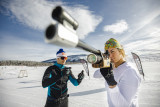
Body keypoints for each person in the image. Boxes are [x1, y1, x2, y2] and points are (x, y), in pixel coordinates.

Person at [93, 38, 141, 107]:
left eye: (112, 51)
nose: (110, 55)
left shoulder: (129, 71)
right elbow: (95, 75)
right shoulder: (113, 67)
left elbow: (124, 105)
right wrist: (104, 66)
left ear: (120, 52)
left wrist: (112, 84)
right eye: (107, 53)